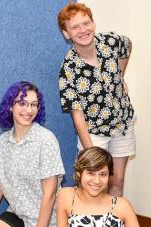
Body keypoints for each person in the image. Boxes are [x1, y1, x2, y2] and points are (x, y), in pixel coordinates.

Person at [57, 2, 135, 197]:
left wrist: (120, 76)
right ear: (66, 33)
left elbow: (128, 45)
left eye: (86, 23)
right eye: (75, 27)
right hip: (94, 133)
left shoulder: (110, 41)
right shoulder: (69, 69)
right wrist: (91, 152)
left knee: (116, 180)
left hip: (122, 124)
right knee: (93, 186)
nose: (83, 30)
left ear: (93, 23)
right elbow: (78, 118)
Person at [0, 81, 65, 227]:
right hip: (18, 214)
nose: (29, 110)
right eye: (22, 103)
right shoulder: (3, 141)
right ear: (10, 106)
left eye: (34, 104)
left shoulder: (46, 140)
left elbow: (49, 195)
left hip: (46, 219)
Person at [56, 146, 139, 227]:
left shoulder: (122, 205)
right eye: (90, 173)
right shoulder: (67, 196)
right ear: (79, 173)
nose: (97, 181)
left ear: (109, 175)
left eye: (103, 174)